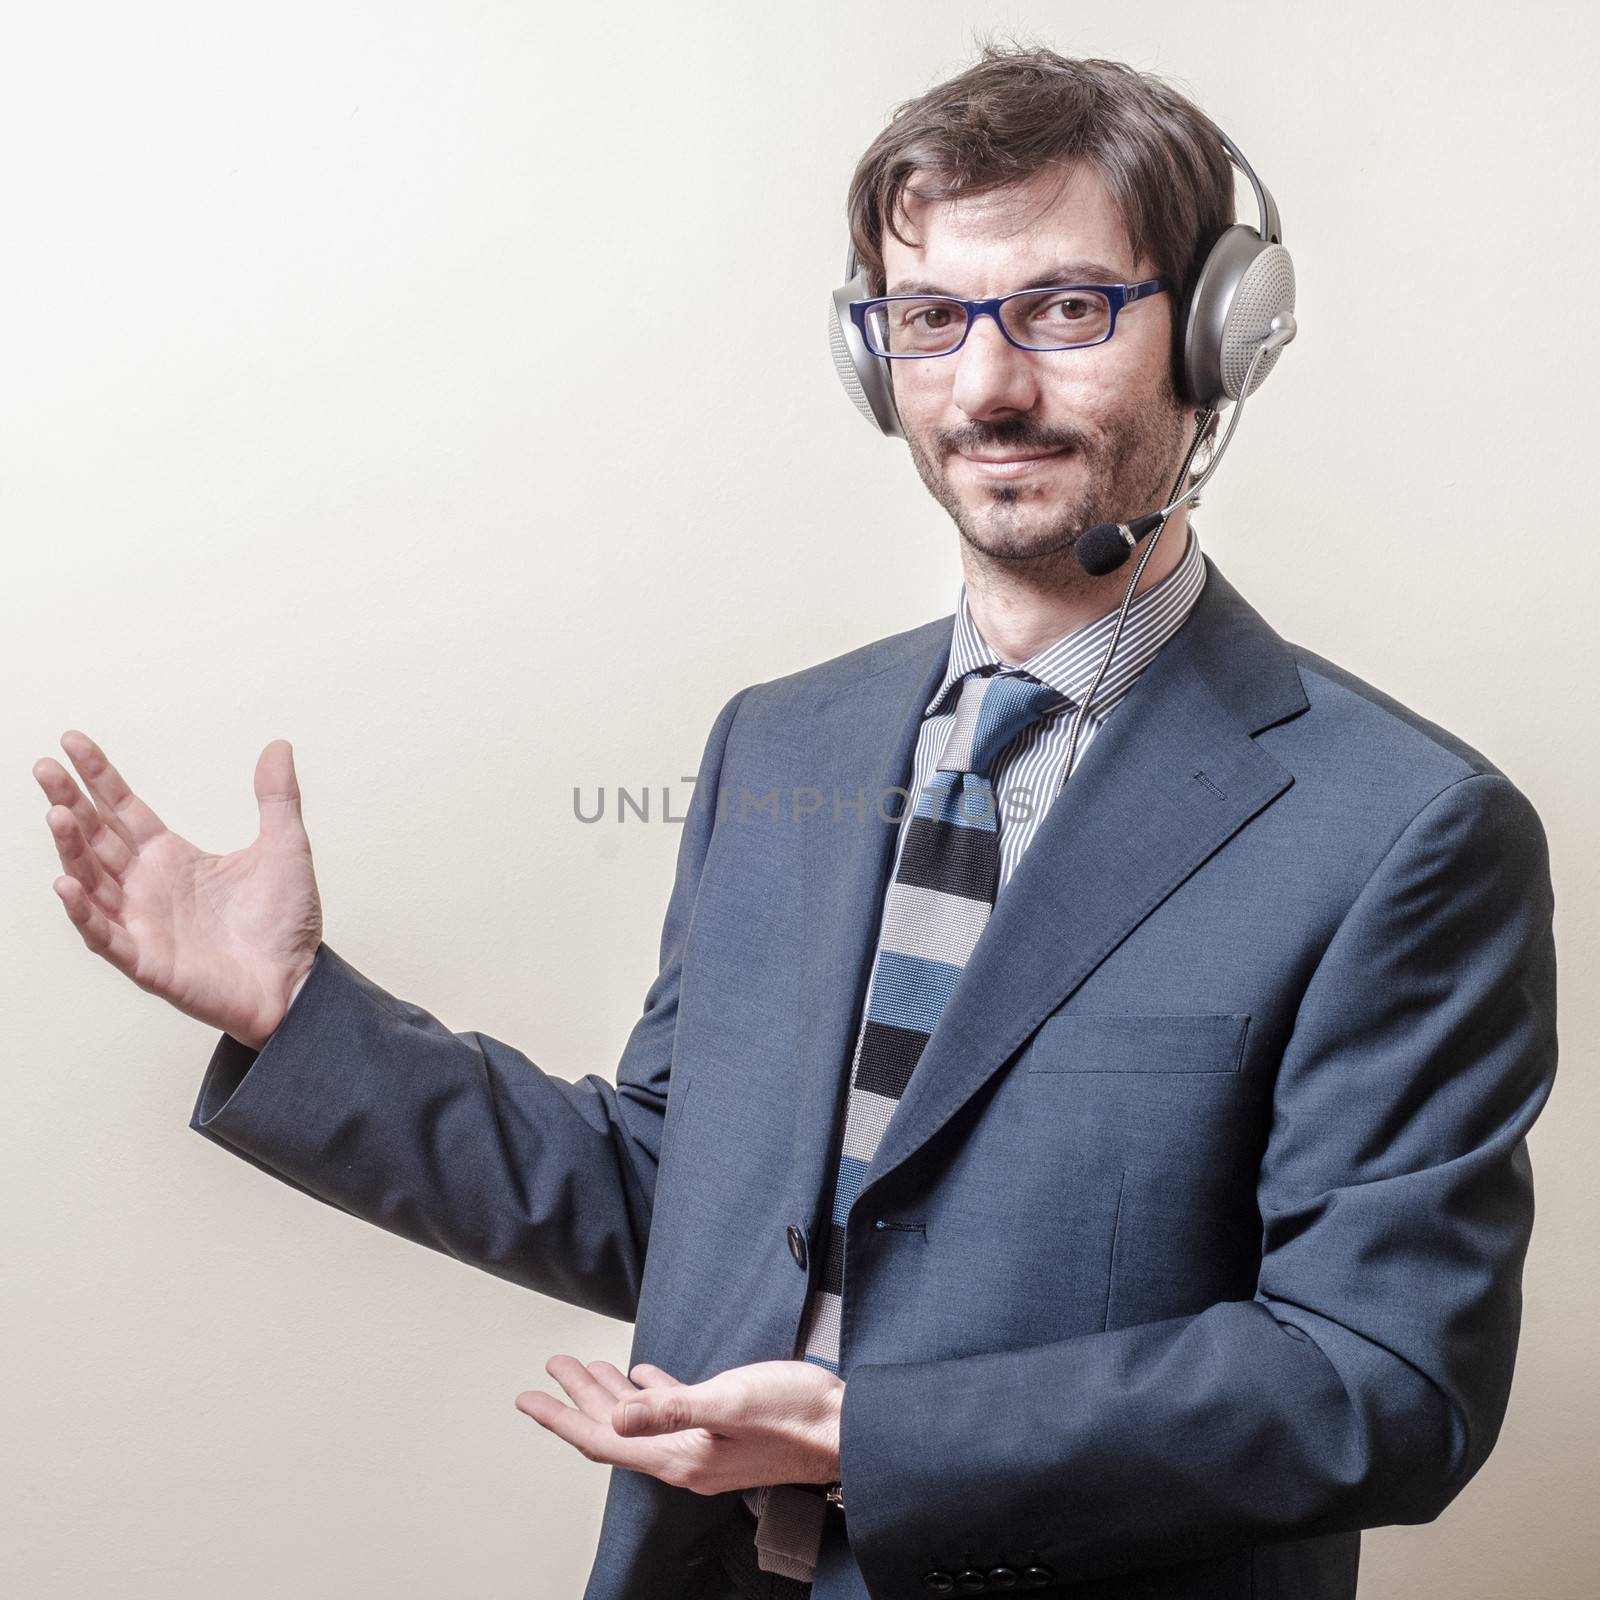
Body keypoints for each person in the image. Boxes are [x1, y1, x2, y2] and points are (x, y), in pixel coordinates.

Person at [34, 45, 1557, 1600]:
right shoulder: (784, 744)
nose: (988, 386)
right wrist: (295, 1017)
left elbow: (1382, 1381)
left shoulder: (1405, 833)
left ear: (1221, 335)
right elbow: (675, 1194)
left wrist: (867, 1434)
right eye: (931, 318)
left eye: (1065, 308)